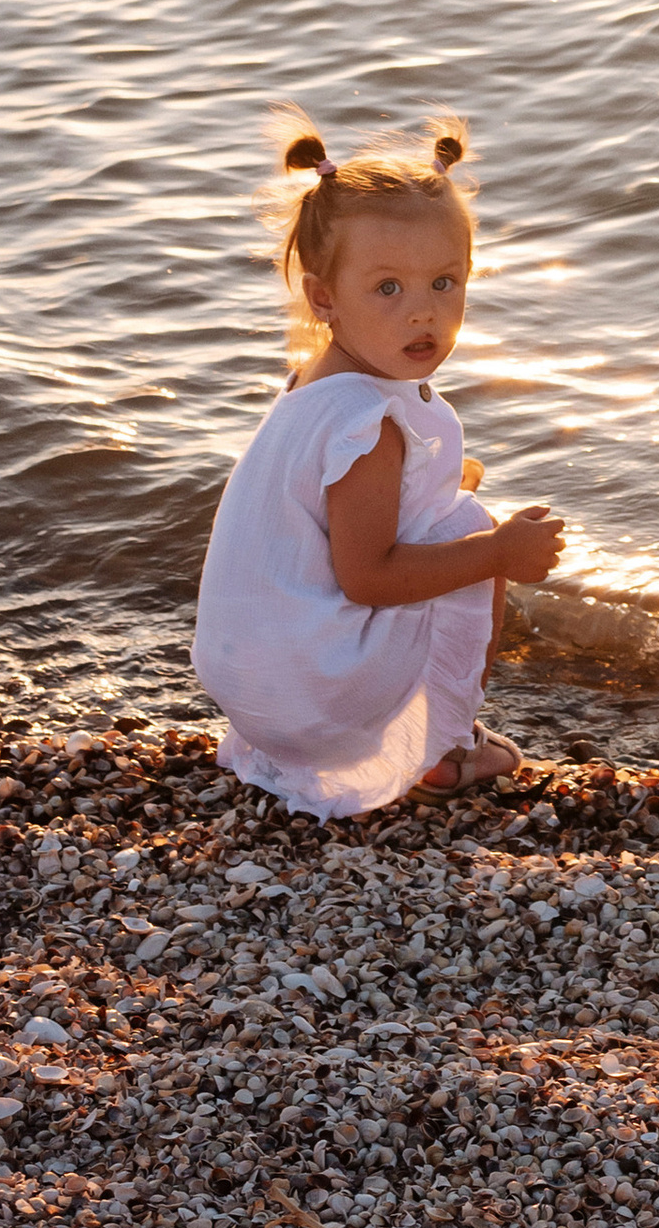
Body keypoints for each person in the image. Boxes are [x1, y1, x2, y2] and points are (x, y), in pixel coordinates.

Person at [191, 116, 565, 815]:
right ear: (324, 298)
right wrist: (498, 551)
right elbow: (369, 579)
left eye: (444, 283)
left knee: (448, 513)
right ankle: (443, 749)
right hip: (308, 700)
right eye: (388, 288)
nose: (423, 313)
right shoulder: (368, 426)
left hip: (255, 688)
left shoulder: (317, 385)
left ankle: (397, 734)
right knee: (467, 525)